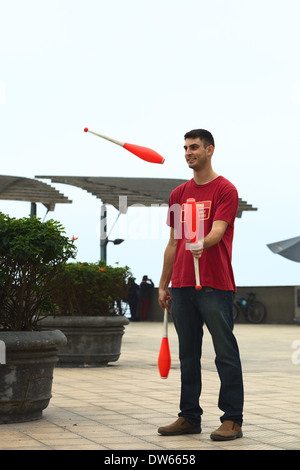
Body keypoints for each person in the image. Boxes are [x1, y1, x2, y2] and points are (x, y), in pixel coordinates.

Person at [158, 129, 244, 441]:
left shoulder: (225, 190)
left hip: (215, 284)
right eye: (185, 148)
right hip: (181, 285)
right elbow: (172, 243)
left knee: (225, 353)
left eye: (194, 147)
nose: (188, 152)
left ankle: (232, 419)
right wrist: (163, 284)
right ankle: (189, 416)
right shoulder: (178, 194)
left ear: (210, 150)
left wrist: (201, 243)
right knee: (188, 355)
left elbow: (218, 231)